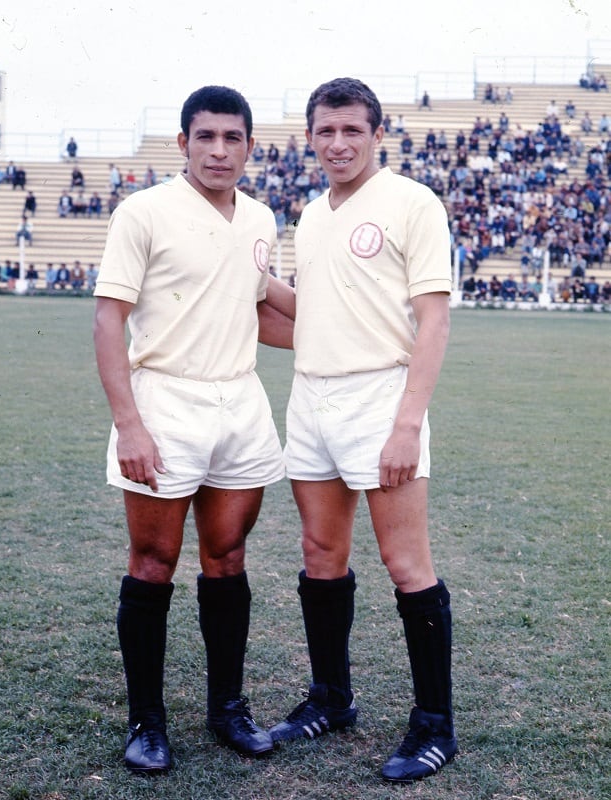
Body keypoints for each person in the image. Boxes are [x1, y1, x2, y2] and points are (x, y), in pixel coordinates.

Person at [93, 85, 292, 775]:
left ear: (249, 146)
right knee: (152, 562)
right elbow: (108, 321)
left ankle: (227, 707)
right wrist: (130, 425)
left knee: (228, 557)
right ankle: (146, 721)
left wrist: (358, 324)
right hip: (164, 402)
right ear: (183, 143)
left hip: (239, 403)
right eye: (204, 137)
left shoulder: (262, 217)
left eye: (231, 138)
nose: (217, 150)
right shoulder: (143, 212)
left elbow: (260, 308)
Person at [266, 77, 456, 785]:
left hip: (381, 396)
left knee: (406, 563)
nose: (338, 143)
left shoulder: (412, 203)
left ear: (379, 133)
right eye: (325, 131)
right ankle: (331, 699)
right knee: (320, 552)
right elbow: (309, 313)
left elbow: (433, 318)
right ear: (310, 138)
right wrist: (247, 278)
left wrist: (408, 423)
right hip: (311, 396)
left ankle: (435, 725)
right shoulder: (310, 216)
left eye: (352, 130)